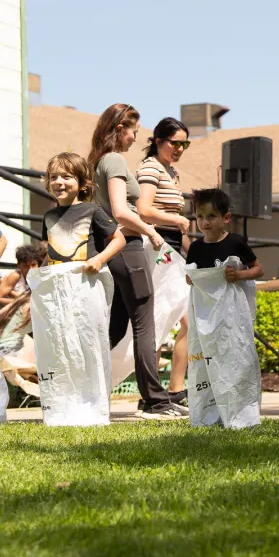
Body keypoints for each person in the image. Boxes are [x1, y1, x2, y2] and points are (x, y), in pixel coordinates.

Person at [89, 104, 185, 419]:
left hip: (114, 252)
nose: (134, 138)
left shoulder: (98, 161)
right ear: (120, 128)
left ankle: (87, 391)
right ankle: (155, 402)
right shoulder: (114, 160)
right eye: (133, 131)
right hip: (128, 250)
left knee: (115, 329)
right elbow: (120, 210)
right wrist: (150, 231)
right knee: (145, 325)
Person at [137, 117, 192, 401]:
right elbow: (143, 209)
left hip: (174, 249)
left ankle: (175, 389)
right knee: (159, 319)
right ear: (158, 141)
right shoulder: (150, 168)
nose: (180, 149)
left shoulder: (171, 172)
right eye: (175, 143)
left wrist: (191, 252)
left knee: (187, 320)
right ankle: (152, 394)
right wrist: (176, 219)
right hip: (155, 247)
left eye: (185, 144)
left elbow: (176, 222)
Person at [186, 188, 263, 282]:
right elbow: (189, 277)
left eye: (211, 216)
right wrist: (190, 279)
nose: (205, 222)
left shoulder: (235, 242)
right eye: (200, 216)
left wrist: (238, 275)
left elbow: (259, 269)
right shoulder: (195, 248)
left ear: (226, 218)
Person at [0, 242, 47, 360]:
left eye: (33, 265)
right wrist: (20, 301)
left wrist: (15, 295)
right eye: (25, 266)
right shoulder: (15, 276)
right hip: (6, 320)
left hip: (21, 321)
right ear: (18, 265)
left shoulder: (36, 278)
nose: (30, 269)